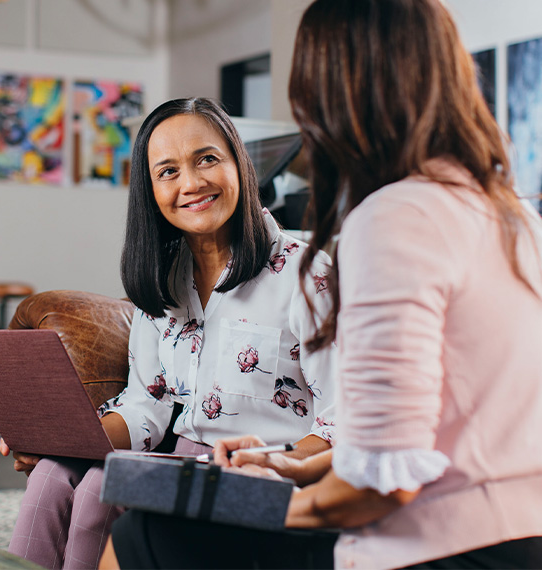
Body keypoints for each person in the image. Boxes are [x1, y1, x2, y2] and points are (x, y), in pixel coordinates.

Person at [103, 1, 542, 569]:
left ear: (340, 91)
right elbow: (423, 434)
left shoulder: (394, 221)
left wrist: (243, 506)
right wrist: (292, 465)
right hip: (523, 535)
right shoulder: (513, 216)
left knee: (145, 536)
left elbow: (384, 485)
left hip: (435, 546)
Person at [0, 97, 337, 570]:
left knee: (100, 487)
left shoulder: (308, 275)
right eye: (168, 171)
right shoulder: (165, 281)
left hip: (265, 473)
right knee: (54, 473)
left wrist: (274, 460)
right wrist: (57, 438)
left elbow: (343, 423)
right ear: (150, 190)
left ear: (238, 164)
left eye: (206, 160)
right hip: (178, 459)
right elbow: (147, 408)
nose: (192, 183)